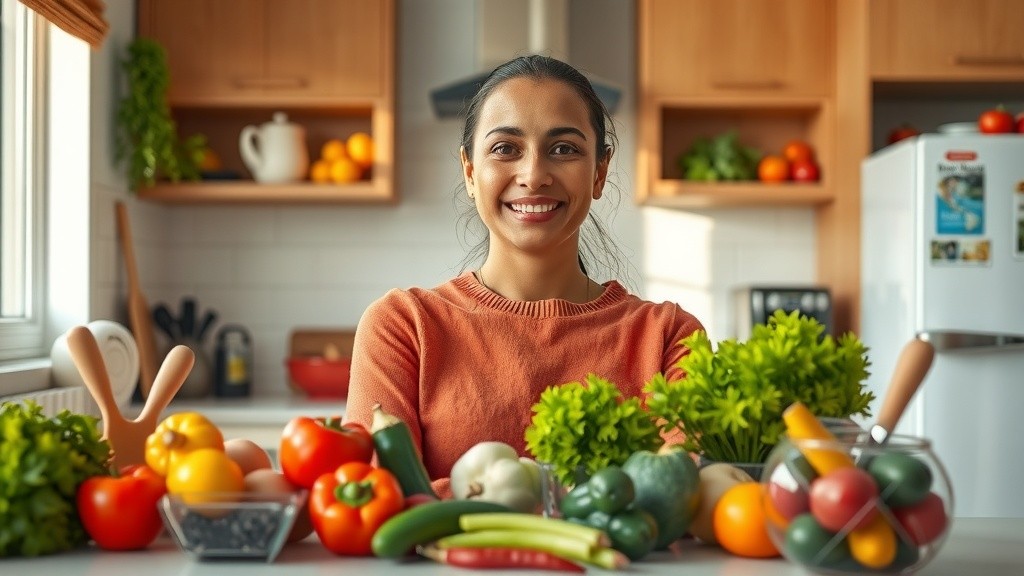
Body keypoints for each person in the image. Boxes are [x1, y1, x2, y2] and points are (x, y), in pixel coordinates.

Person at [345, 55, 705, 498]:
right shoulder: (403, 327)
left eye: (564, 149)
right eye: (505, 149)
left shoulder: (670, 338)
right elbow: (374, 497)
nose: (533, 175)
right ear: (470, 172)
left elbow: (678, 496)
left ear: (600, 172)